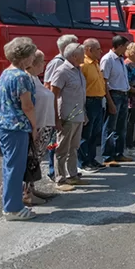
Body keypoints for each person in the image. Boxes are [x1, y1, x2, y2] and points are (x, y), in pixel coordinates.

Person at [0, 37, 39, 221]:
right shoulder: (21, 76)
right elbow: (27, 106)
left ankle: (10, 203)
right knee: (15, 168)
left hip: (4, 125)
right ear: (25, 57)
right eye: (32, 55)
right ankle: (13, 208)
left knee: (9, 166)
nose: (33, 59)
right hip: (16, 127)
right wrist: (34, 126)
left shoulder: (6, 73)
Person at [50, 43, 89, 189]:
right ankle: (60, 179)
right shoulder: (62, 71)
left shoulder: (78, 70)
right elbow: (53, 95)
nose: (84, 56)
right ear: (74, 56)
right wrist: (56, 118)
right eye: (81, 54)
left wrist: (84, 113)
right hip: (66, 116)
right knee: (62, 149)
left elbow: (80, 95)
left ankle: (72, 176)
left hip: (78, 115)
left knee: (74, 147)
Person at [25, 50, 60, 203]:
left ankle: (31, 189)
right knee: (29, 160)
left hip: (43, 124)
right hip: (37, 125)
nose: (44, 65)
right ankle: (26, 193)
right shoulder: (27, 79)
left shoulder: (35, 78)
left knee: (36, 159)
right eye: (42, 62)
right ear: (34, 63)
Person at [43, 34, 79, 179]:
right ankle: (54, 172)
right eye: (76, 45)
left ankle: (68, 172)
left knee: (68, 144)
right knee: (57, 142)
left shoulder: (71, 64)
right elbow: (49, 86)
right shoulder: (57, 63)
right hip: (58, 109)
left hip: (71, 109)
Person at [79, 39, 109, 173]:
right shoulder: (83, 65)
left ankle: (92, 159)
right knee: (86, 133)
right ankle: (84, 161)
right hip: (89, 101)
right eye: (98, 49)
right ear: (89, 50)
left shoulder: (96, 63)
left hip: (98, 101)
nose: (100, 51)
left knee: (95, 133)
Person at [100, 35, 131, 165]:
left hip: (123, 94)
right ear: (119, 46)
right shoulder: (108, 60)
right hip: (114, 95)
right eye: (125, 46)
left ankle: (119, 153)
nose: (126, 49)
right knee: (110, 127)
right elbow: (104, 82)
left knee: (121, 127)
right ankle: (107, 156)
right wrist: (109, 101)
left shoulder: (120, 59)